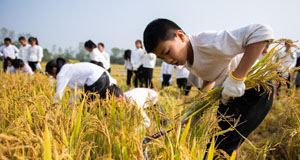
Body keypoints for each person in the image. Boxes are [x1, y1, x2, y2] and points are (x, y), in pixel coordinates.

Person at [143, 18, 274, 156]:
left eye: (168, 51)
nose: (168, 61)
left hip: (255, 92)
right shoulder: (186, 58)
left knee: (219, 150)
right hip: (229, 97)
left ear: (180, 36)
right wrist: (198, 105)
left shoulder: (207, 42)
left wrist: (237, 77)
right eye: (162, 58)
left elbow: (261, 32)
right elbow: (209, 75)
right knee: (215, 146)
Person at [45, 57, 116, 102]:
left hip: (96, 79)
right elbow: (76, 91)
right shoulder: (68, 68)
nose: (53, 78)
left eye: (51, 75)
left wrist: (53, 110)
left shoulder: (62, 74)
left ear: (54, 70)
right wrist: (71, 105)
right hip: (104, 76)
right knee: (101, 102)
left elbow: (58, 94)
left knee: (85, 104)